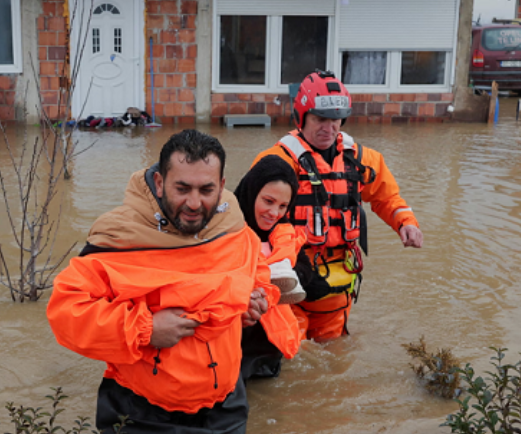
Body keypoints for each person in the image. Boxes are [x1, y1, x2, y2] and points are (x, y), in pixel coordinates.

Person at [47, 129, 263, 434]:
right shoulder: (118, 238)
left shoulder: (233, 227)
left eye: (206, 190)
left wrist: (254, 299)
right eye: (182, 188)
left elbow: (257, 270)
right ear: (160, 183)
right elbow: (66, 312)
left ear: (222, 186)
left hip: (225, 407)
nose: (194, 203)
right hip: (141, 412)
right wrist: (146, 329)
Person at [253, 70, 423, 343]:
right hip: (289, 281)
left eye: (335, 120)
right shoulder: (276, 161)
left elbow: (387, 197)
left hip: (337, 283)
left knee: (332, 356)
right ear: (302, 116)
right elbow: (251, 221)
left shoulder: (362, 159)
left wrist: (406, 223)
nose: (328, 128)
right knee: (288, 352)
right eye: (320, 119)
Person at [234, 154, 305, 381]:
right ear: (252, 192)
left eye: (283, 206)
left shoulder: (285, 233)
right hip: (233, 350)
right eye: (268, 201)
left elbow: (308, 277)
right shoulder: (222, 230)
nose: (274, 213)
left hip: (270, 351)